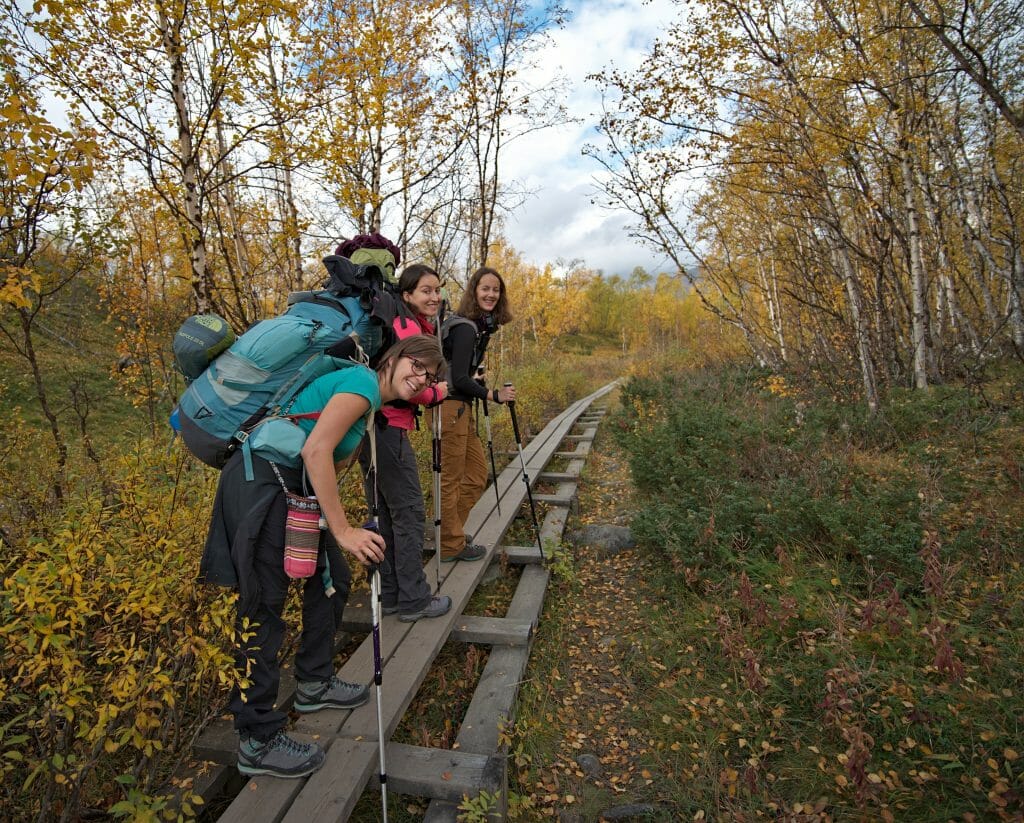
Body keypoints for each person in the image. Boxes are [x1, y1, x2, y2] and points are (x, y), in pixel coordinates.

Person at [200, 335, 446, 779]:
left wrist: (349, 528)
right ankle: (257, 739)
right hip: (262, 483)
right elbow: (315, 451)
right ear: (393, 358)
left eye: (431, 375)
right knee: (263, 606)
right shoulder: (361, 382)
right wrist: (344, 528)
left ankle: (313, 684)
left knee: (331, 580)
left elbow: (328, 463)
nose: (421, 377)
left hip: (291, 488)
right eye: (417, 364)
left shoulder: (370, 407)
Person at [358, 264, 452, 622]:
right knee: (409, 513)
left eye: (437, 290)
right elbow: (406, 386)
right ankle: (414, 599)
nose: (434, 297)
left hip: (367, 426)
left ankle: (393, 594)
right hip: (389, 428)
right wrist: (435, 393)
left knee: (382, 513)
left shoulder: (392, 319)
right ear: (407, 294)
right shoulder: (406, 326)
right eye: (426, 290)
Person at [439, 266, 515, 562]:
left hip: (460, 408)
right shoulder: (465, 328)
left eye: (496, 290)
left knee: (476, 474)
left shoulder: (477, 326)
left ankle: (450, 531)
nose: (491, 294)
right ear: (474, 291)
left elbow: (462, 373)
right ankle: (449, 544)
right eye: (485, 288)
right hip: (450, 408)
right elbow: (458, 379)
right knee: (452, 479)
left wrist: (476, 379)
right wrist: (492, 395)